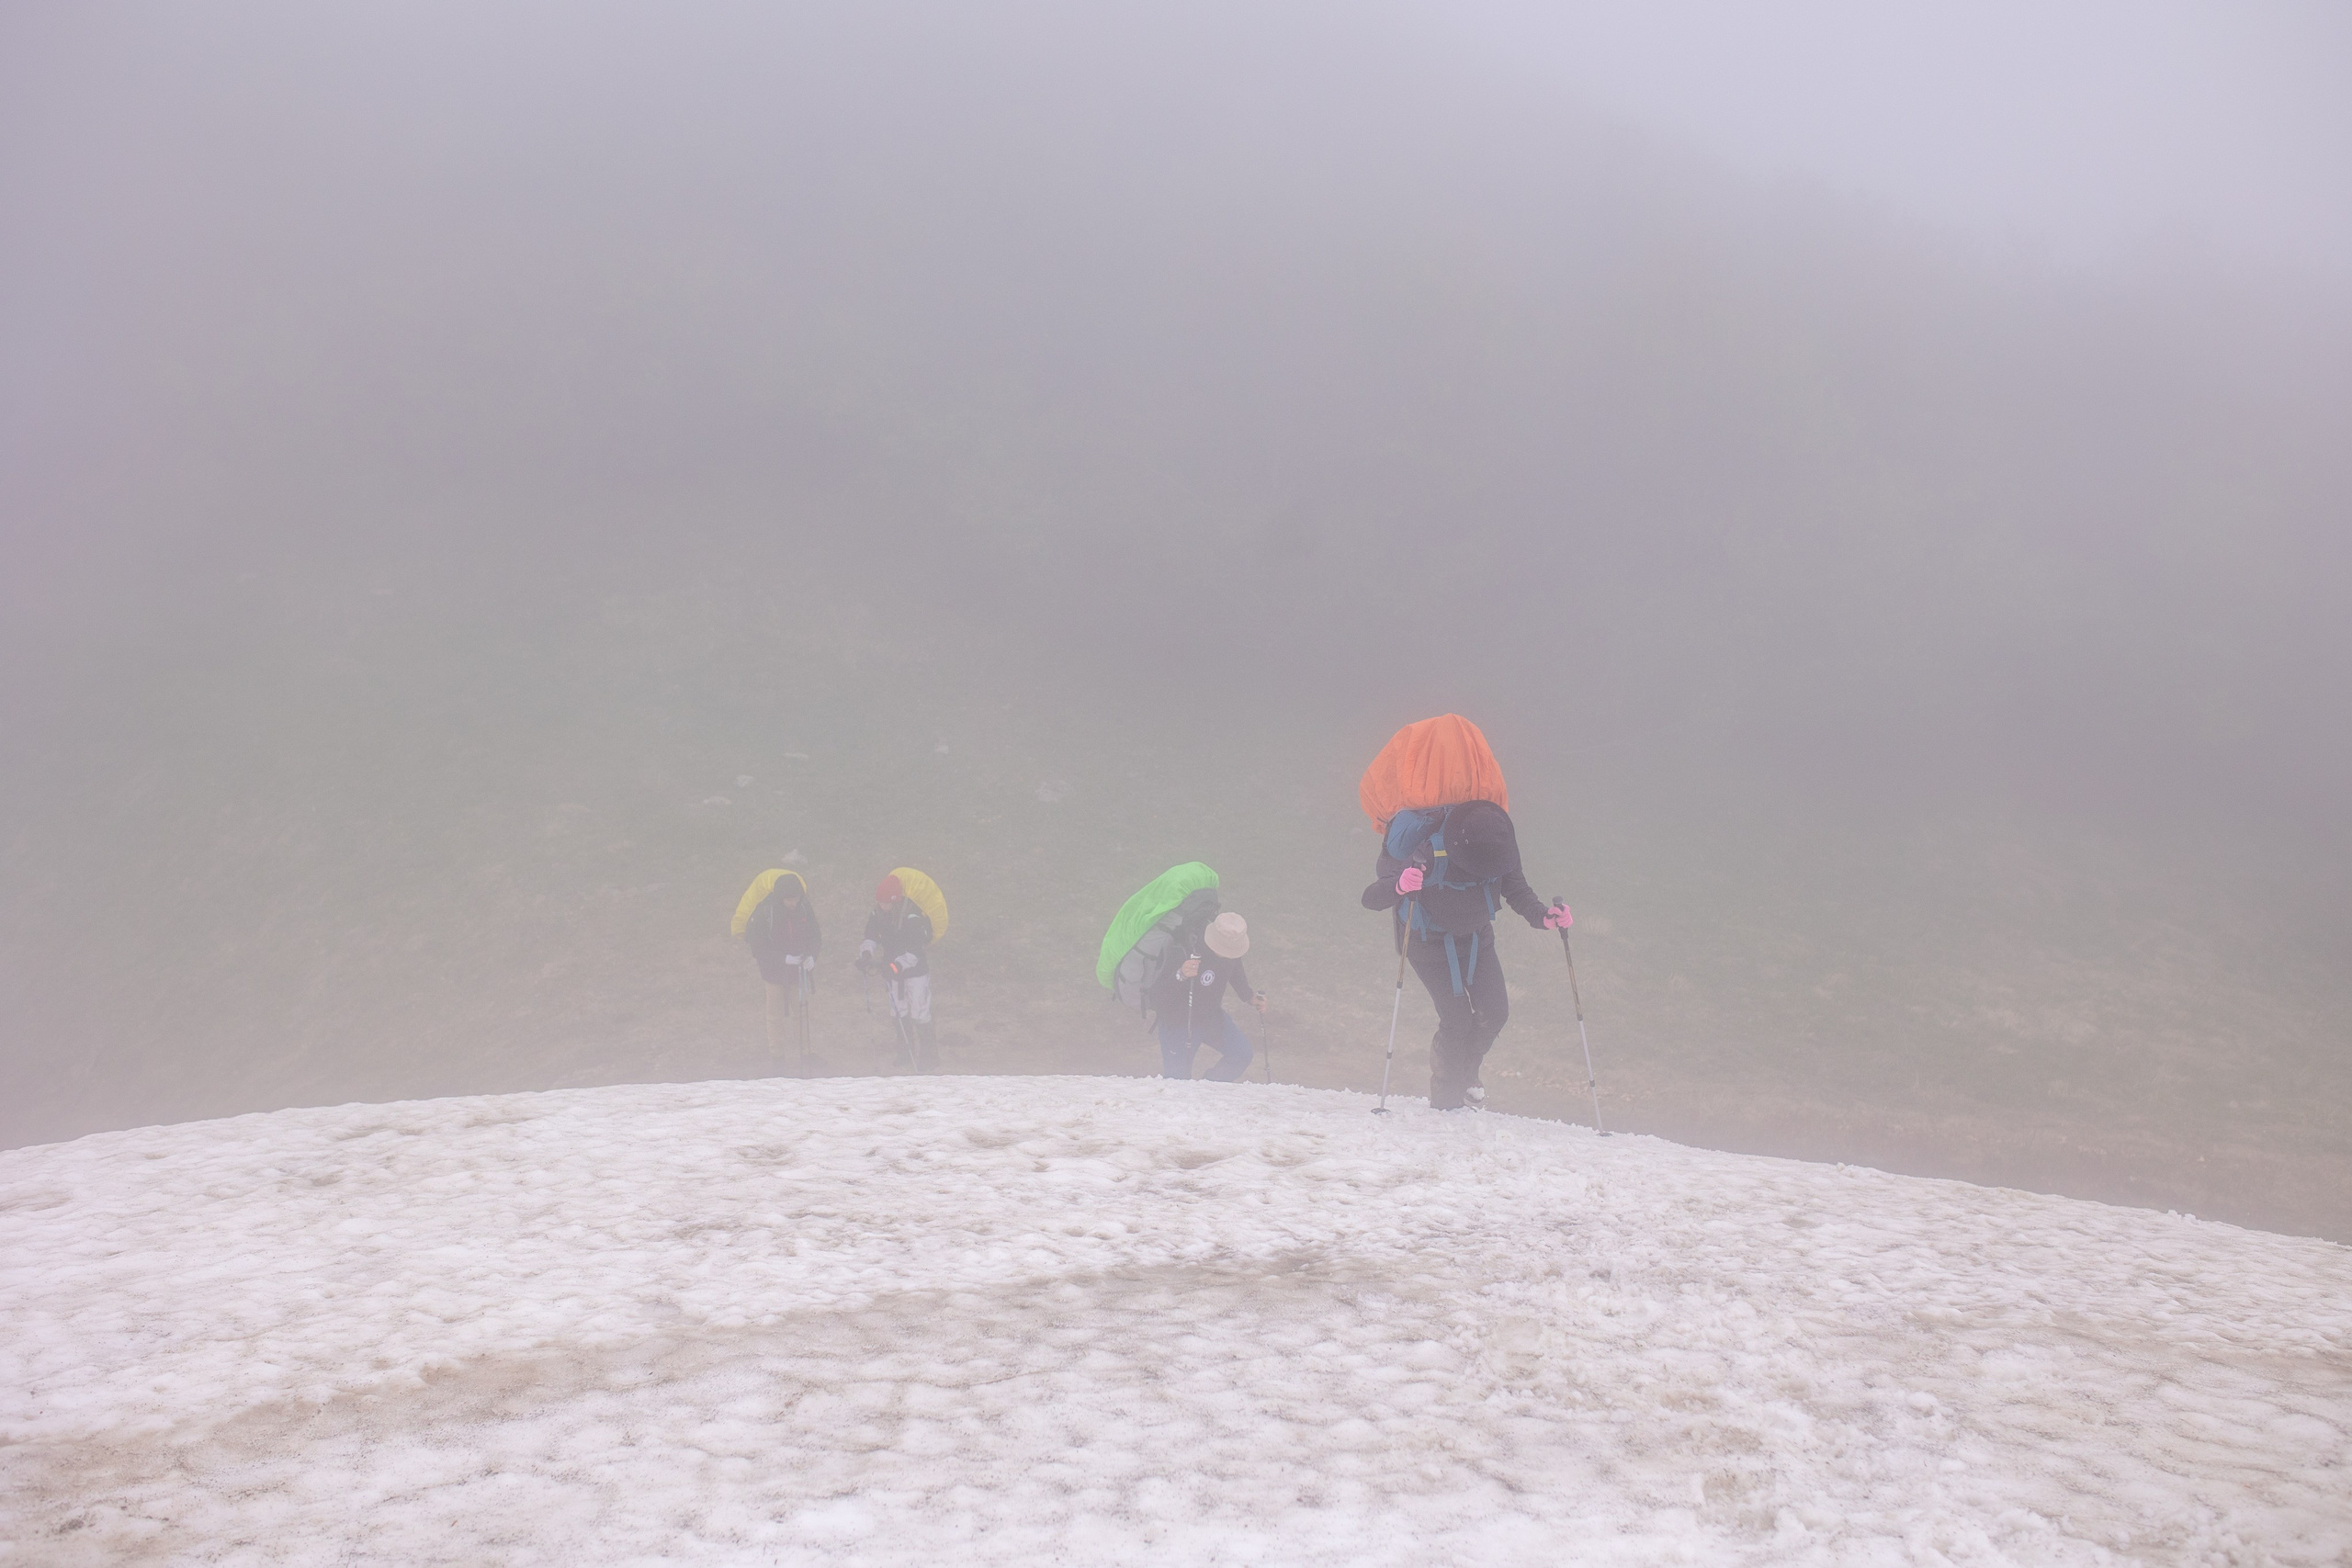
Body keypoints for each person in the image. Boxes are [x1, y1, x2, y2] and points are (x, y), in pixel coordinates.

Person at [1361, 801, 1568, 1110]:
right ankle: (1446, 1100)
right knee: (1456, 1019)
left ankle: (1467, 1075)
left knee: (1495, 1012)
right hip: (1425, 941)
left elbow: (1516, 888)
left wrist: (1544, 917)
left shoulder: (1496, 840)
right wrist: (1400, 885)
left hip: (1475, 937)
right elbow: (1371, 898)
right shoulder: (1424, 849)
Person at [1149, 909, 1267, 1082]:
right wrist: (1181, 974)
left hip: (1210, 1017)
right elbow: (1156, 995)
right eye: (1225, 949)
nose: (1229, 954)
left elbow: (1235, 971)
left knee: (1241, 1054)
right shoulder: (1184, 946)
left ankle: (1209, 1087)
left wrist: (1250, 997)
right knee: (1177, 1082)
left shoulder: (1231, 953)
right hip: (1177, 1023)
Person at [729, 868, 820, 1065]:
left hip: (798, 971)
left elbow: (815, 934)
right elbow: (758, 947)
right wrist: (783, 959)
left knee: (801, 1012)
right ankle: (777, 1058)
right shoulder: (765, 912)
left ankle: (806, 1053)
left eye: (796, 899)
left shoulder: (804, 907)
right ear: (780, 898)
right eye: (789, 900)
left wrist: (812, 956)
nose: (793, 903)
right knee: (775, 1016)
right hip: (773, 973)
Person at [859, 874, 938, 1072]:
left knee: (920, 1012)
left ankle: (929, 1057)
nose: (882, 906)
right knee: (898, 1011)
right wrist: (866, 953)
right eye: (880, 902)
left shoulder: (912, 916)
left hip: (916, 972)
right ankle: (905, 1053)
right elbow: (870, 934)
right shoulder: (877, 914)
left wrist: (896, 966)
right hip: (893, 972)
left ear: (896, 901)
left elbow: (915, 951)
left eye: (886, 903)